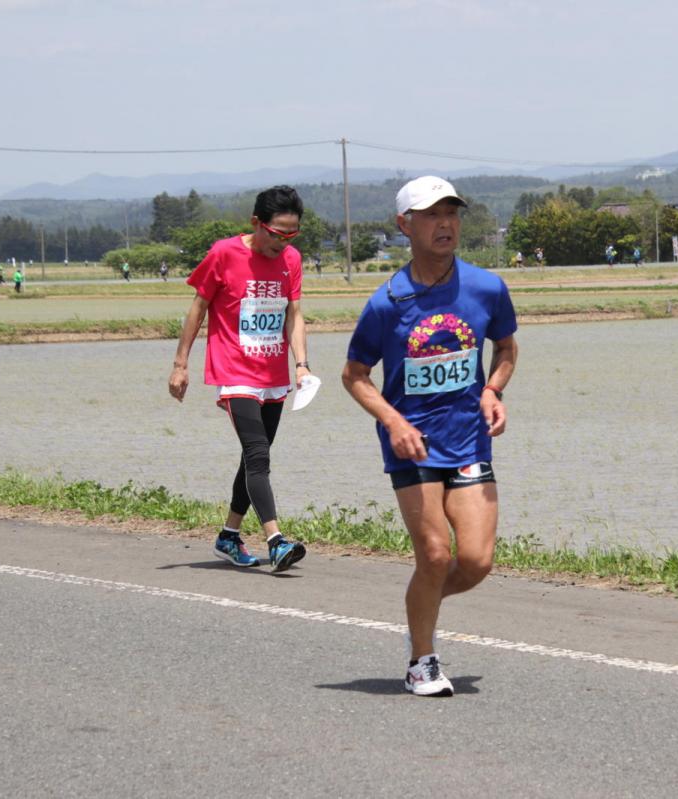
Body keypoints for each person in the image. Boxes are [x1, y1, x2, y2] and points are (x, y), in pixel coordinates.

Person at [342, 176, 519, 697]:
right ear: (405, 225)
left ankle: (423, 603)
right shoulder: (386, 303)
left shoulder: (486, 287)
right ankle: (422, 660)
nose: (445, 224)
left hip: (468, 440)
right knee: (436, 555)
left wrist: (492, 389)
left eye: (452, 213)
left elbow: (506, 349)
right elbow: (354, 374)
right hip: (412, 445)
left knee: (477, 562)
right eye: (431, 215)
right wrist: (394, 421)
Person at [168, 185, 311, 573]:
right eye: (277, 234)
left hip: (273, 374)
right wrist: (181, 364)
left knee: (254, 458)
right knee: (259, 456)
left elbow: (293, 315)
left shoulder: (291, 260)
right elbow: (198, 307)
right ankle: (277, 540)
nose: (283, 243)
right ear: (256, 223)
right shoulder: (224, 253)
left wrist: (302, 364)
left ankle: (228, 535)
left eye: (292, 235)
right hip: (234, 372)